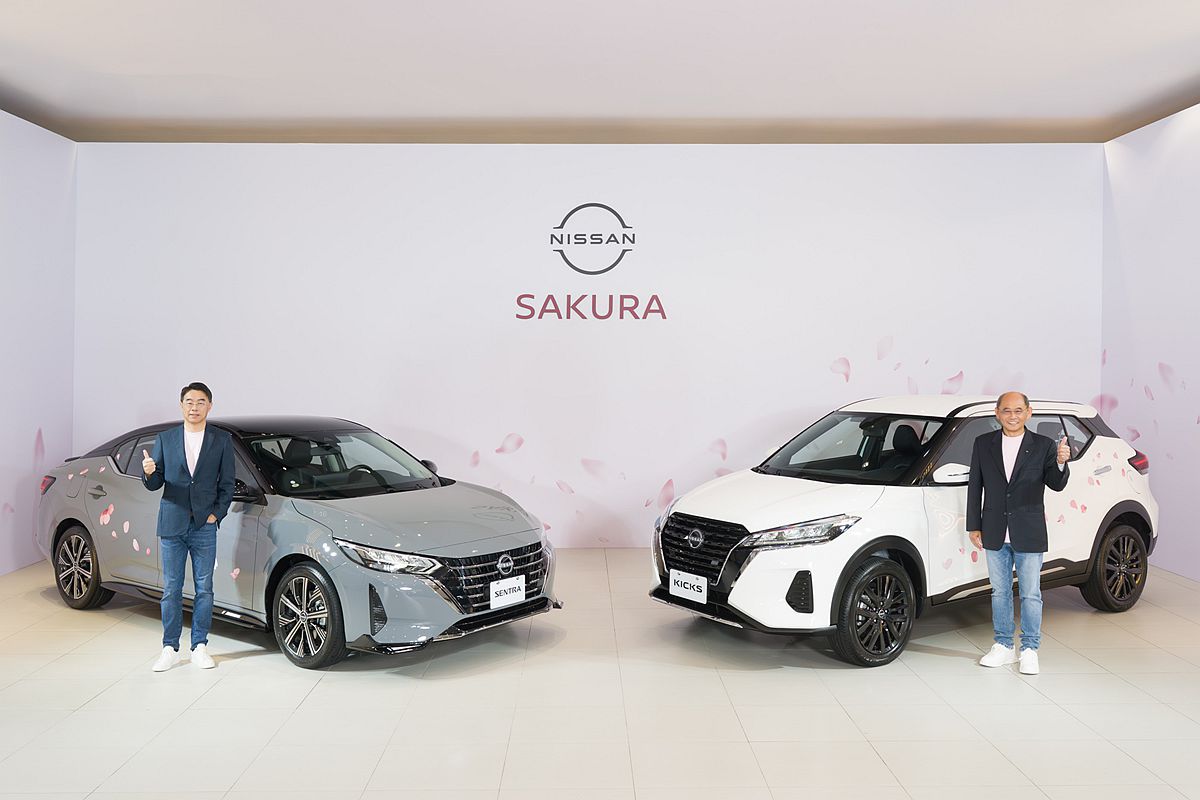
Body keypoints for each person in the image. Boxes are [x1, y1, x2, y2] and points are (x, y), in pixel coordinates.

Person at [966, 391, 1070, 675]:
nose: (1012, 416)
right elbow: (975, 485)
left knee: (1030, 594)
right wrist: (974, 525)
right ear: (997, 413)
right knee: (999, 592)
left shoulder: (1044, 445)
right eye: (1007, 410)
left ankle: (1029, 649)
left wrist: (1061, 462)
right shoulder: (983, 443)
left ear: (1028, 412)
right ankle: (1003, 646)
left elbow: (1056, 483)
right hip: (994, 529)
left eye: (1018, 410)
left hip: (1029, 530)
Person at [142, 382, 235, 672]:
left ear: (210, 406)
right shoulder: (166, 438)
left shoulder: (221, 440)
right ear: (181, 405)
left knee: (204, 588)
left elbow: (228, 483)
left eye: (200, 402)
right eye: (189, 402)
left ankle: (200, 646)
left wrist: (216, 514)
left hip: (204, 525)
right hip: (172, 523)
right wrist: (149, 473)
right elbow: (155, 484)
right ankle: (169, 648)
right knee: (171, 588)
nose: (194, 407)